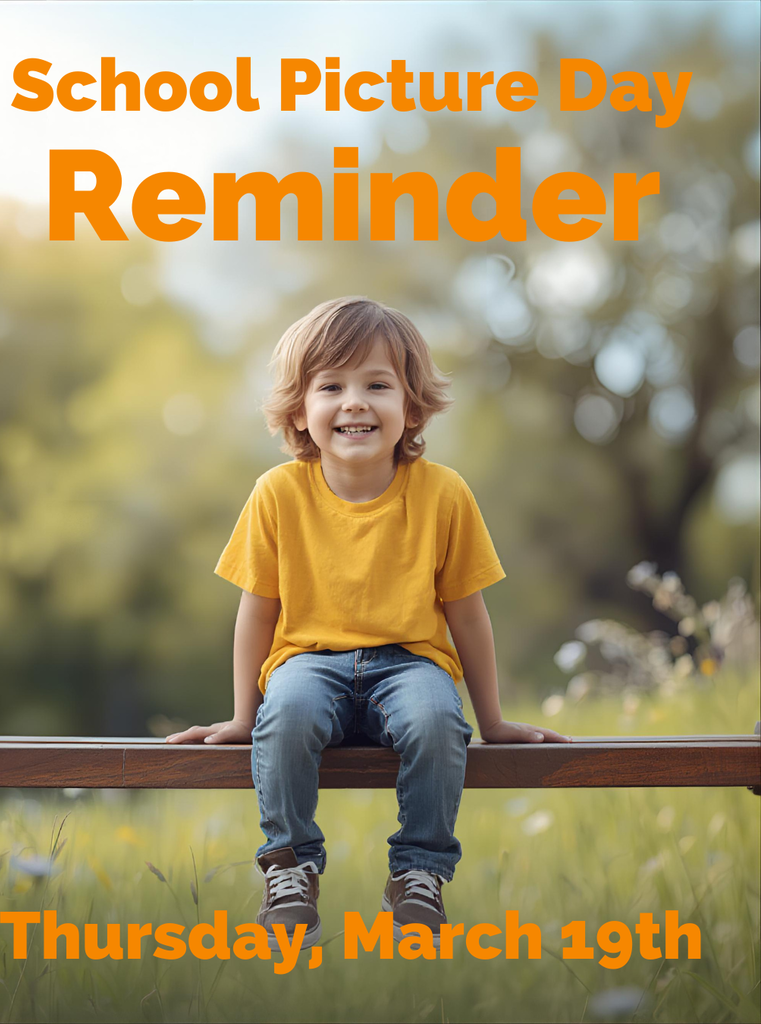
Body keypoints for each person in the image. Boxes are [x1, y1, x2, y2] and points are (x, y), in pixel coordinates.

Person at [167, 296, 569, 951]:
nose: (354, 401)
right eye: (331, 386)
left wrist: (491, 722)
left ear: (411, 407)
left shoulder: (443, 494)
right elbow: (256, 610)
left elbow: (467, 612)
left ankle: (418, 872)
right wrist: (243, 715)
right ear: (299, 409)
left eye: (376, 384)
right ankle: (289, 868)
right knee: (287, 713)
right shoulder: (277, 493)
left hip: (411, 664)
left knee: (437, 719)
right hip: (307, 664)